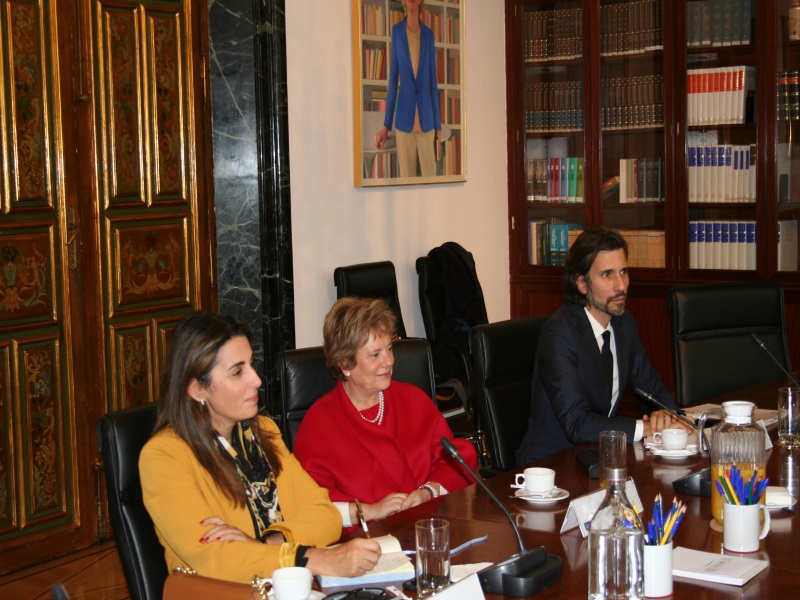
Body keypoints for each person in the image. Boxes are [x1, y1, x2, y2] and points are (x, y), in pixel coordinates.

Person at [139, 313, 380, 584]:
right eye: (237, 372)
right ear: (198, 389)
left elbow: (325, 514)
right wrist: (312, 558)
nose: (256, 380)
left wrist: (268, 542)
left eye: (251, 365)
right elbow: (214, 558)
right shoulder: (164, 456)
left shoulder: (263, 431)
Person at [293, 297, 477, 527]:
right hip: (362, 542)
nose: (389, 361)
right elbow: (309, 504)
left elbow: (455, 462)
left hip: (426, 527)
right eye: (375, 354)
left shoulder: (412, 400)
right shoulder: (319, 424)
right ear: (345, 364)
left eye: (389, 349)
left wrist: (427, 492)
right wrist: (369, 511)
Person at [516, 226, 691, 464]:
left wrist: (668, 417)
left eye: (624, 272)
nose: (621, 285)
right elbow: (577, 424)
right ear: (582, 284)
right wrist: (645, 428)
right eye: (607, 275)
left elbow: (653, 390)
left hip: (599, 457)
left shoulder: (624, 323)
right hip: (552, 465)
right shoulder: (560, 334)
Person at [374, 0, 441, 178]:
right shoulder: (397, 32)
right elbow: (393, 80)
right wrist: (386, 125)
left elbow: (433, 84)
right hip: (404, 122)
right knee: (406, 182)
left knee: (431, 181)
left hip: (427, 123)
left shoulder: (428, 35)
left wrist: (438, 126)